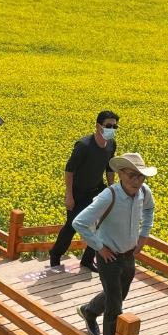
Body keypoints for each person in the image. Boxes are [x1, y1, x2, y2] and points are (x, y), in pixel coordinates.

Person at [75, 153, 156, 335]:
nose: (137, 181)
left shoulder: (144, 192)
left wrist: (143, 236)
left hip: (128, 254)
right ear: (120, 174)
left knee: (121, 293)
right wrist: (99, 247)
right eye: (131, 175)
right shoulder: (109, 196)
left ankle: (89, 310)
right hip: (108, 256)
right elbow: (79, 222)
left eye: (140, 176)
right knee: (115, 303)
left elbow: (149, 210)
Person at [48, 111, 119, 272]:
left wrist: (112, 189)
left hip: (98, 190)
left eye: (115, 126)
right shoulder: (84, 145)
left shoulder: (112, 144)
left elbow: (109, 167)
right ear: (98, 126)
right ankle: (55, 255)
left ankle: (87, 261)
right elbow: (69, 170)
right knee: (72, 226)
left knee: (100, 226)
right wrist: (69, 195)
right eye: (109, 126)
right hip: (78, 193)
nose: (112, 129)